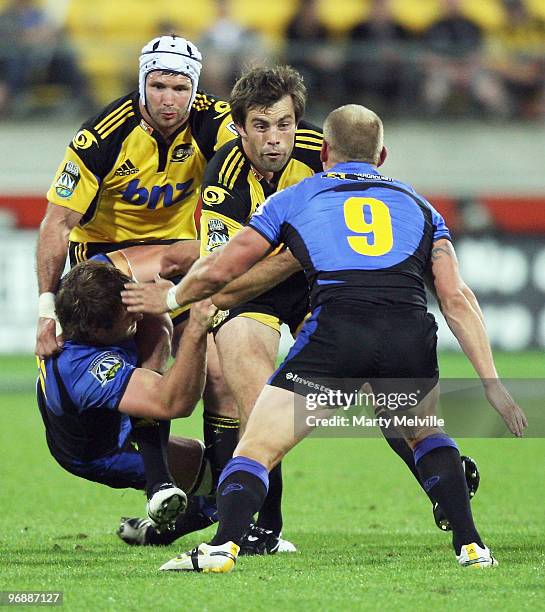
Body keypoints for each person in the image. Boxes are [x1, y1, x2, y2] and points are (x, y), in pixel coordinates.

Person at [122, 104, 527, 572]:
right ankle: (472, 547)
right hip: (409, 332)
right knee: (425, 435)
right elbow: (456, 298)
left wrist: (172, 300)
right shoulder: (422, 206)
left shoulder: (297, 196)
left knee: (257, 444)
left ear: (325, 151)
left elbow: (222, 267)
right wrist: (492, 382)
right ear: (382, 155)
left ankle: (221, 547)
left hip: (338, 331)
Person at [35, 35, 240, 533]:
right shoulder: (102, 137)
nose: (169, 99)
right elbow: (56, 224)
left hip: (180, 252)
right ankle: (161, 480)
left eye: (179, 87)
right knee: (144, 358)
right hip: (105, 261)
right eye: (158, 85)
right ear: (141, 82)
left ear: (194, 88)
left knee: (217, 375)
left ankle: (202, 497)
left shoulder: (218, 122)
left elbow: (257, 159)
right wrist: (46, 308)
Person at [37, 261, 217, 532]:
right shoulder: (86, 370)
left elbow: (160, 256)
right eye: (127, 316)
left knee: (155, 323)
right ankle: (169, 497)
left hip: (107, 417)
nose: (137, 316)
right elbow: (176, 402)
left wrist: (175, 279)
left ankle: (161, 489)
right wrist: (196, 326)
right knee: (224, 476)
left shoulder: (93, 284)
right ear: (98, 331)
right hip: (101, 453)